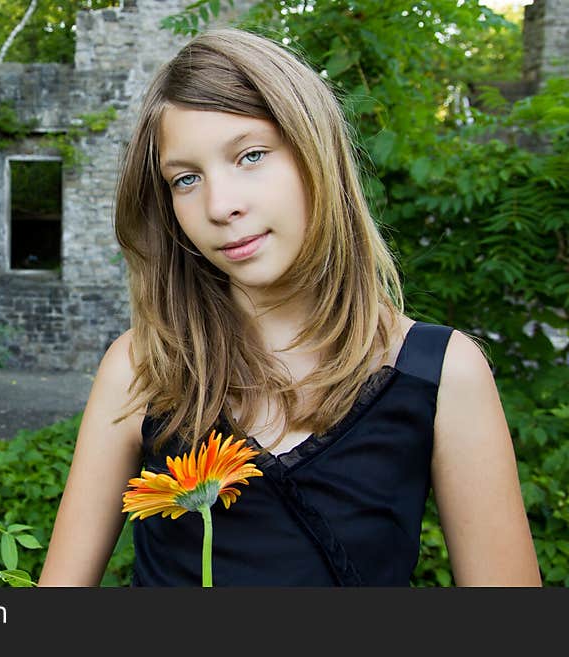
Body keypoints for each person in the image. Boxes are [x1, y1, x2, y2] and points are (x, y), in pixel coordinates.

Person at [38, 27, 541, 586]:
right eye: (186, 178)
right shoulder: (140, 369)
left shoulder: (442, 372)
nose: (220, 205)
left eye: (250, 155)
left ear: (314, 155)